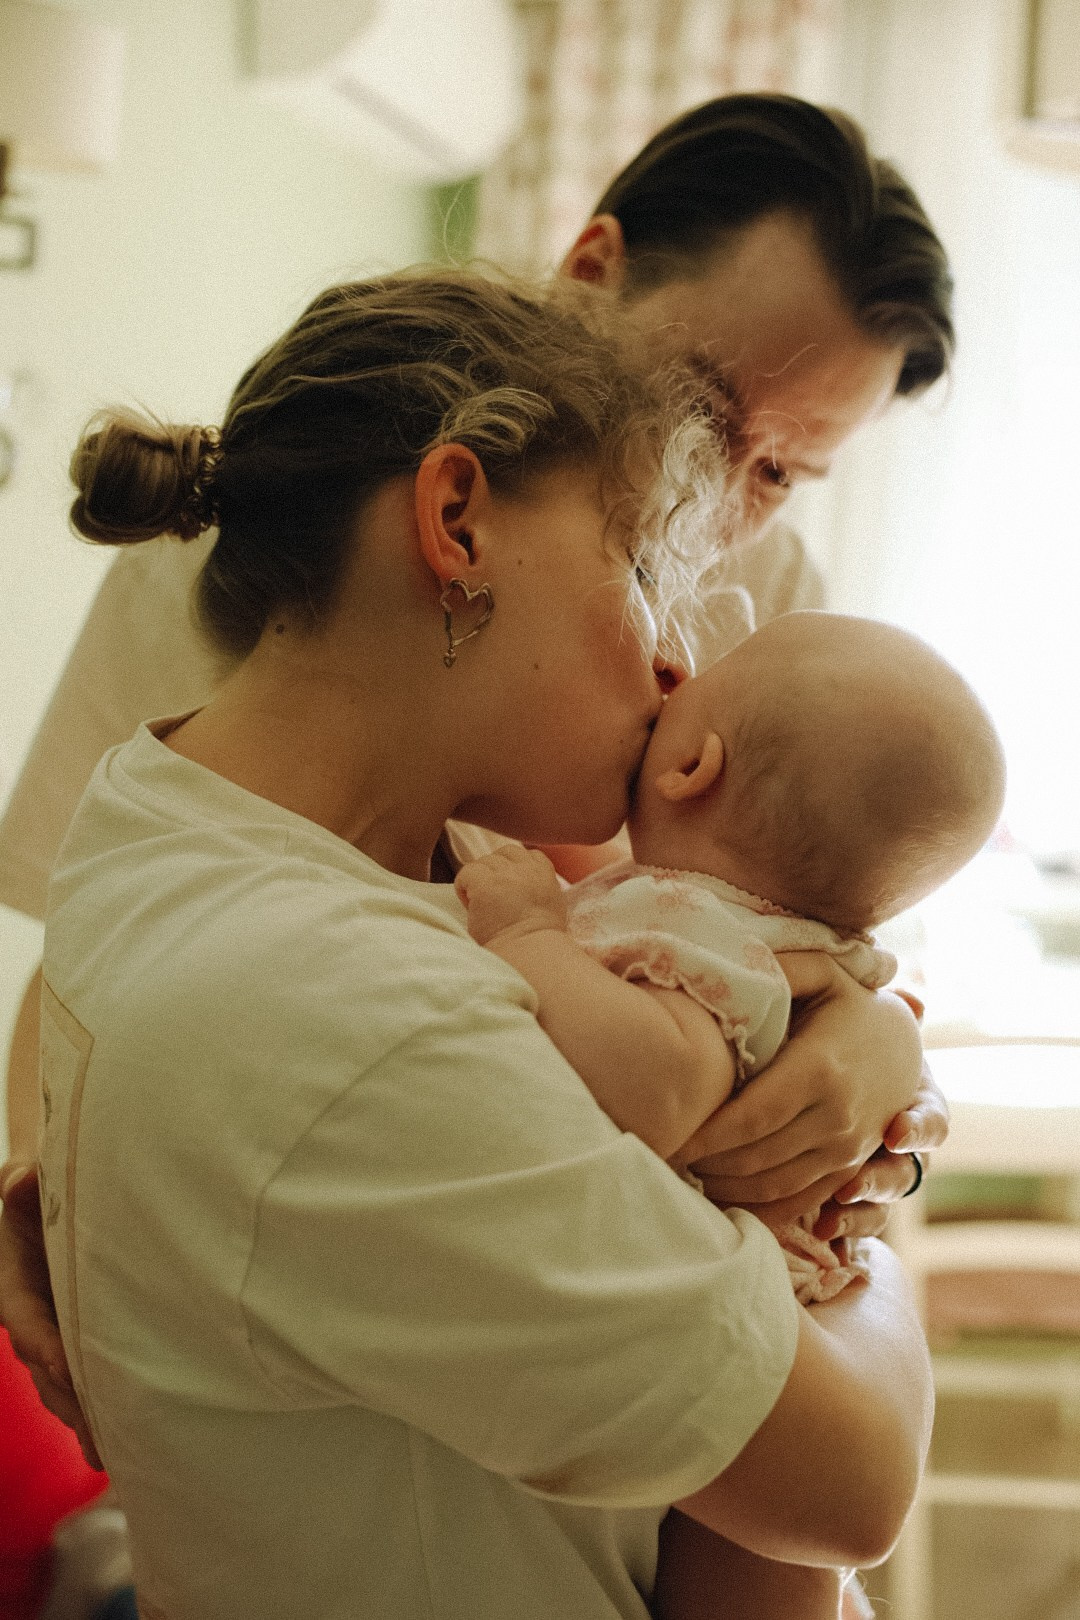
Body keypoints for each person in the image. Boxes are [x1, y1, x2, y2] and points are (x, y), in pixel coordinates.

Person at [29, 270, 933, 1620]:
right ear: (457, 520)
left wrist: (868, 1030)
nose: (677, 668)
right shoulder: (347, 1015)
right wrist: (844, 1231)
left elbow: (699, 956)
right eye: (640, 568)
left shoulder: (198, 824)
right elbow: (853, 1485)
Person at [1, 91, 953, 1230]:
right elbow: (96, 975)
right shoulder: (278, 551)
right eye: (704, 402)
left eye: (782, 471)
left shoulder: (779, 609)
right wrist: (51, 1212)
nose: (719, 500)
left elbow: (810, 938)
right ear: (593, 269)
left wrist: (881, 1049)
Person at [455, 611, 1005, 1619]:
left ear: (692, 764)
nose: (667, 669)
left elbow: (658, 1087)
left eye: (684, 689)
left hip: (773, 1323)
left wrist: (527, 932)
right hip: (772, 1303)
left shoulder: (699, 930)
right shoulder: (752, 928)